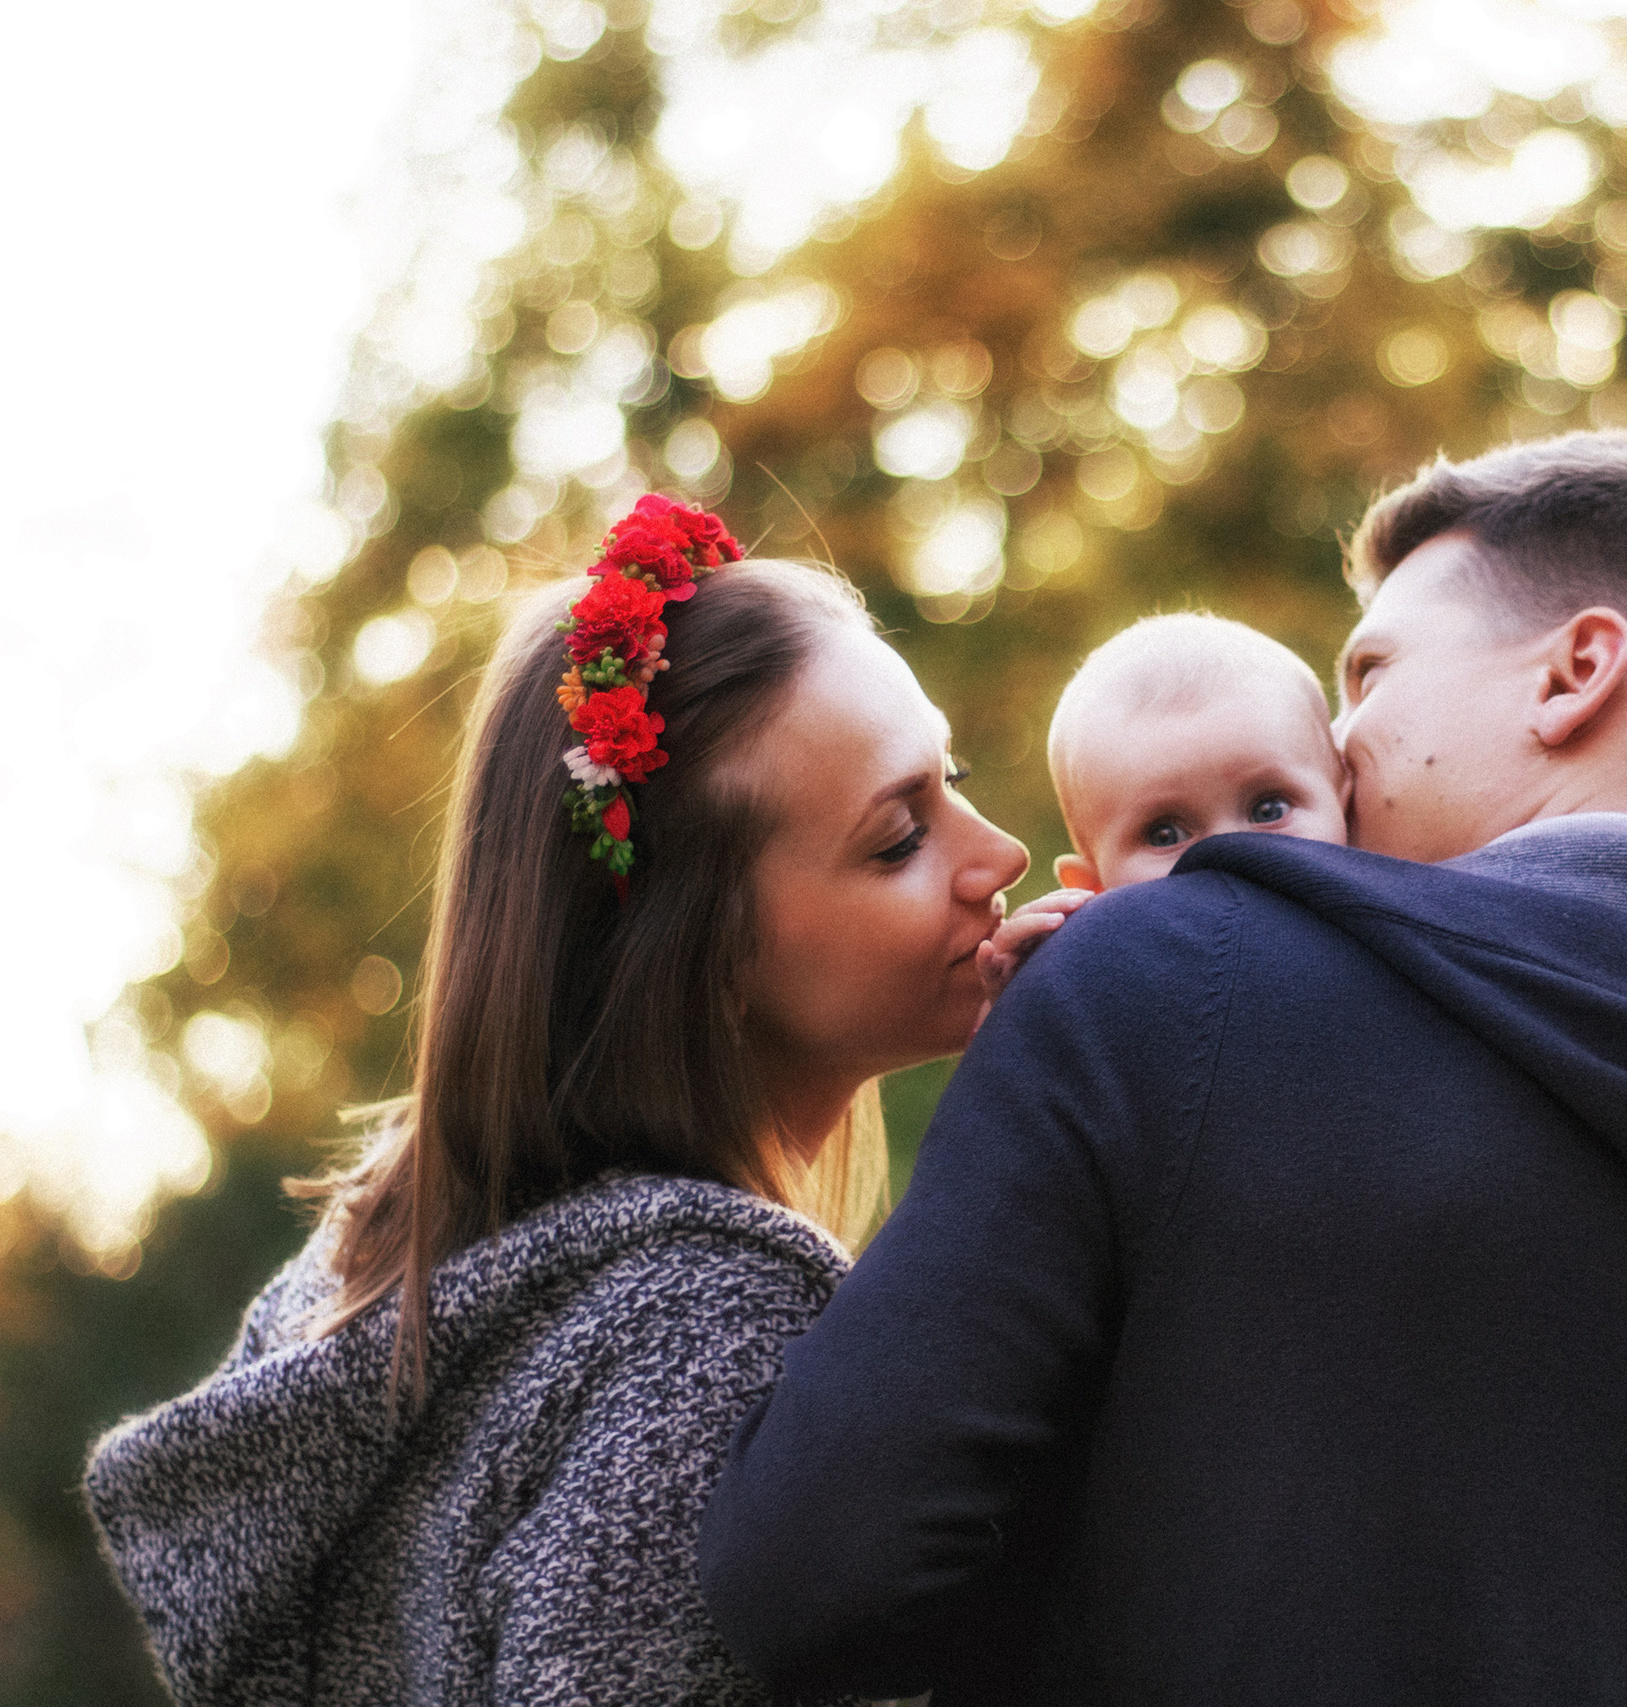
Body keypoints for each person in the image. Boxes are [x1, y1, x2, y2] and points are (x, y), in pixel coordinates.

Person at [701, 432, 1627, 1706]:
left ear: (1577, 672)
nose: (1343, 738)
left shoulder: (1169, 976)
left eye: (1370, 672)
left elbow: (815, 1581)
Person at [84, 498, 1029, 1706]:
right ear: (708, 957)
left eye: (951, 777)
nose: (996, 852)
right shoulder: (704, 1322)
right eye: (900, 837)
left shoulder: (372, 1268)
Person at [974, 611, 1349, 990]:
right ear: (1091, 890)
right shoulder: (1108, 989)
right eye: (1165, 834)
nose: (1231, 856)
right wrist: (1026, 998)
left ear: (1344, 803)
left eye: (1269, 809)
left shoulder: (1393, 931)